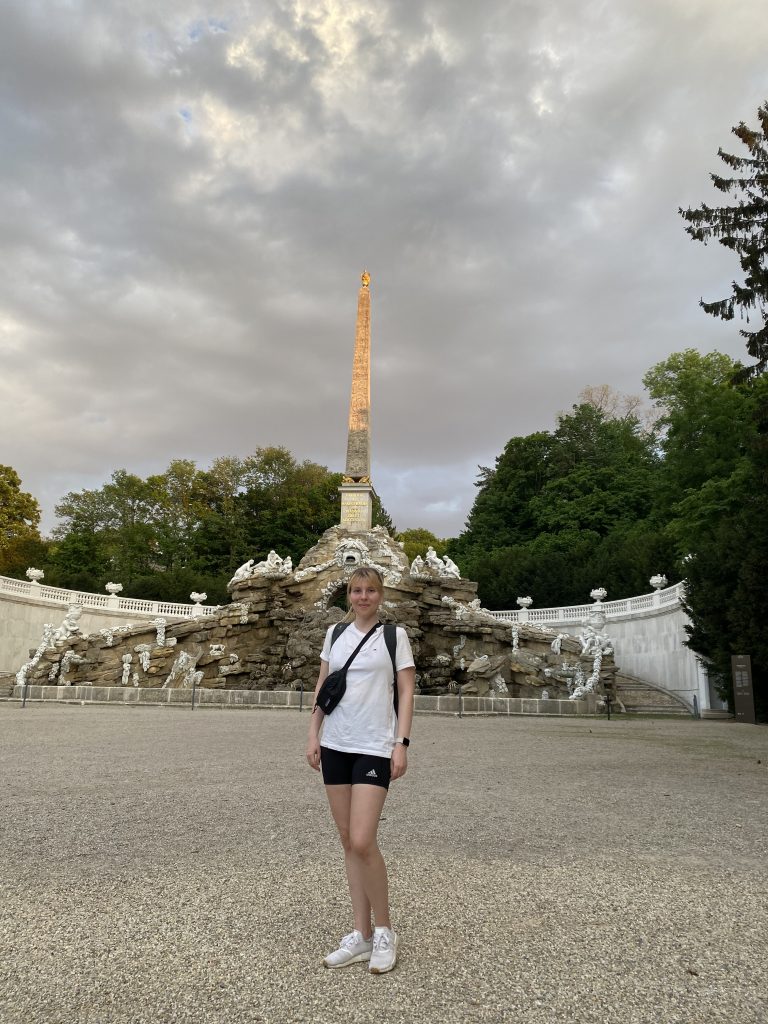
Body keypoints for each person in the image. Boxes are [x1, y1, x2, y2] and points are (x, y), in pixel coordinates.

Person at [306, 566, 416, 974]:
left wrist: (400, 743)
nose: (363, 596)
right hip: (336, 742)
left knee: (364, 839)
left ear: (380, 595)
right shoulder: (334, 635)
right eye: (356, 590)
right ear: (347, 595)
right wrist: (313, 733)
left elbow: (406, 692)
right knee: (347, 839)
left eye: (370, 590)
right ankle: (361, 934)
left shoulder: (394, 637)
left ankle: (385, 930)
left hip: (374, 746)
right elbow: (323, 687)